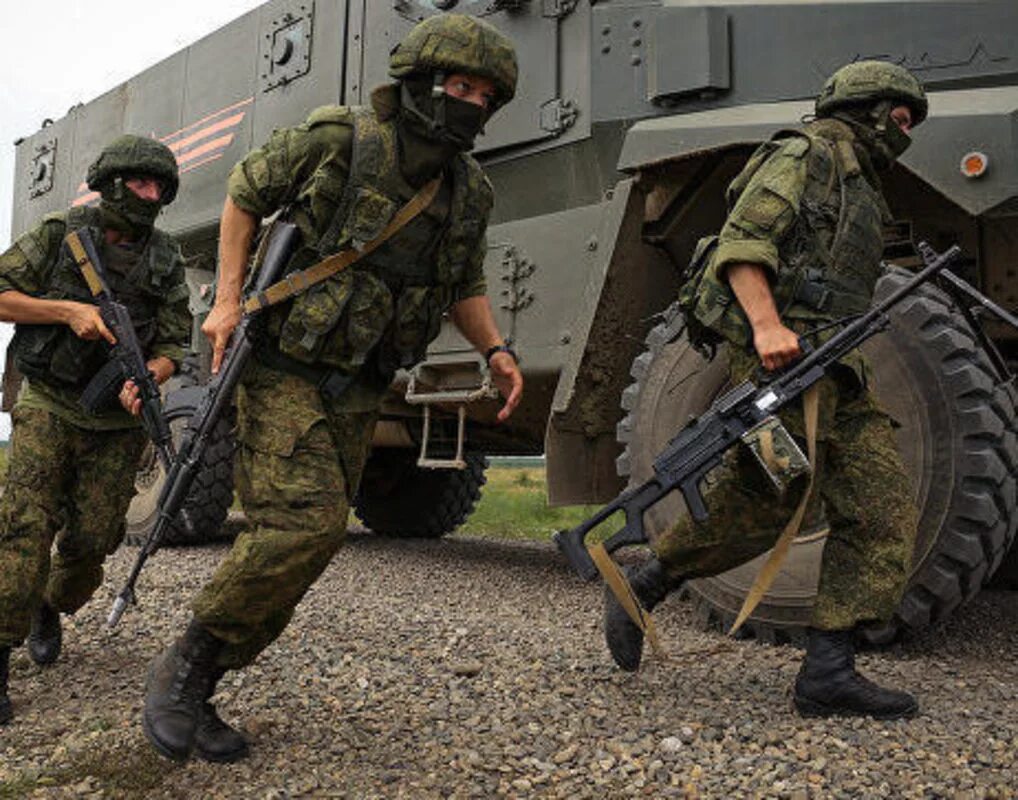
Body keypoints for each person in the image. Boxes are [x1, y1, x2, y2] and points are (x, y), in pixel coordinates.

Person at [142, 13, 523, 762]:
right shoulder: (343, 140)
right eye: (457, 85)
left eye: (485, 93)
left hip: (361, 382)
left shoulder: (469, 191)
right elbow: (245, 194)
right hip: (282, 363)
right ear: (420, 81)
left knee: (309, 544)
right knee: (306, 524)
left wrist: (497, 349)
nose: (470, 102)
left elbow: (464, 283)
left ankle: (208, 671)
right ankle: (185, 667)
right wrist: (224, 300)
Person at [604, 61, 928, 719]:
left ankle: (828, 673)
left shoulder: (861, 182)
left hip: (837, 370)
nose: (905, 132)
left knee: (882, 508)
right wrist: (768, 326)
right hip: (781, 368)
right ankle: (644, 582)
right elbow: (742, 246)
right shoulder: (803, 153)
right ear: (866, 106)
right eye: (899, 117)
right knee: (762, 501)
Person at [0, 135, 190, 725]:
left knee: (92, 543)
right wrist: (69, 311)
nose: (151, 195)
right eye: (141, 183)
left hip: (115, 423)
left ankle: (48, 606)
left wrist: (149, 374)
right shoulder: (61, 234)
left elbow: (176, 343)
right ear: (112, 183)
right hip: (50, 404)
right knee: (23, 528)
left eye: (160, 187)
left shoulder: (165, 257)